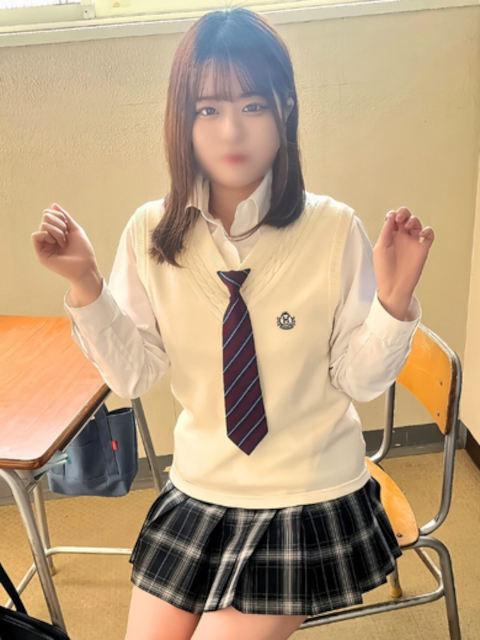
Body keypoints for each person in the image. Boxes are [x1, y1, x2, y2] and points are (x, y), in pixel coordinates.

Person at [31, 7, 434, 640]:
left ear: (285, 110)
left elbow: (359, 381)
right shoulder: (150, 231)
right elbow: (133, 375)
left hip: (307, 493)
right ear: (182, 120)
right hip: (202, 488)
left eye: (253, 105)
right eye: (208, 109)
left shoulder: (332, 229)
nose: (231, 130)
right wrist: (86, 284)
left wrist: (394, 300)